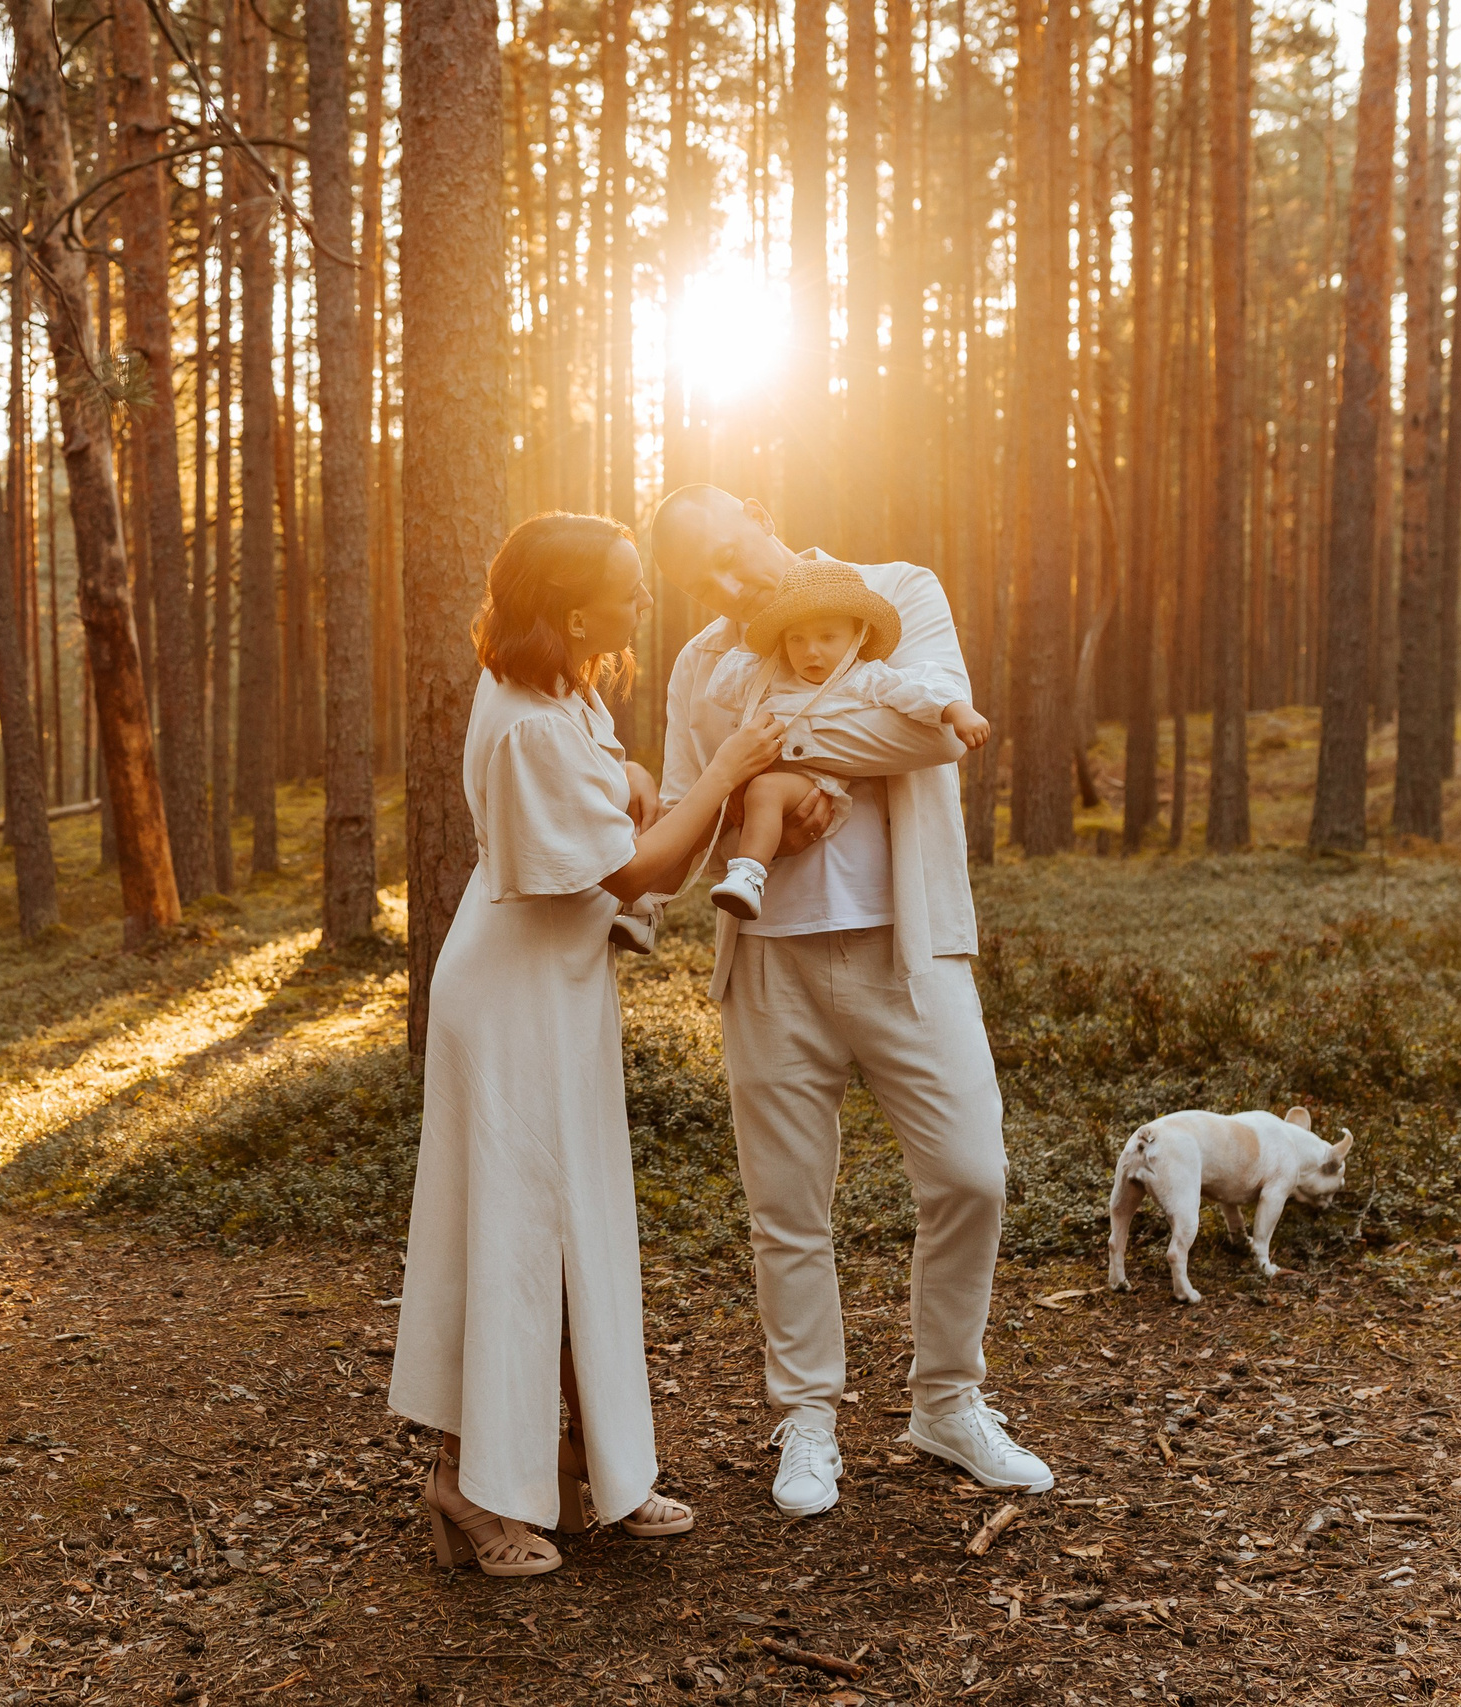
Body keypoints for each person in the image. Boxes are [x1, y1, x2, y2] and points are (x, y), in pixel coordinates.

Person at [389, 511, 786, 1576]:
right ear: (573, 612)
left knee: (573, 1230)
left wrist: (650, 787)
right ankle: (464, 1490)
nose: (645, 601)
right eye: (627, 589)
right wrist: (728, 769)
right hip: (511, 1001)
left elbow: (620, 807)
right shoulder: (524, 721)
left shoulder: (566, 690)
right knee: (513, 1234)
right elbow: (639, 872)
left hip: (557, 990)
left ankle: (581, 1471)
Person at [651, 484, 1052, 1519]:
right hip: (767, 963)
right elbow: (686, 809)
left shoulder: (895, 591)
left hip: (905, 951)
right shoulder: (701, 662)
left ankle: (947, 1403)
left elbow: (924, 737)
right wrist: (740, 790)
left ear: (760, 512)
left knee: (971, 1174)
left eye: (734, 552)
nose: (731, 585)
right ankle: (808, 1418)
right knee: (786, 1211)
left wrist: (764, 764)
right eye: (704, 579)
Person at [701, 560, 991, 919]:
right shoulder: (774, 675)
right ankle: (657, 901)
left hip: (812, 778)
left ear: (859, 636)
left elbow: (914, 689)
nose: (810, 652)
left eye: (827, 637)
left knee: (765, 791)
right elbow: (721, 689)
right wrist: (756, 647)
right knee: (738, 794)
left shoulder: (863, 677)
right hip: (761, 769)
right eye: (796, 639)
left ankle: (748, 874)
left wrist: (957, 710)